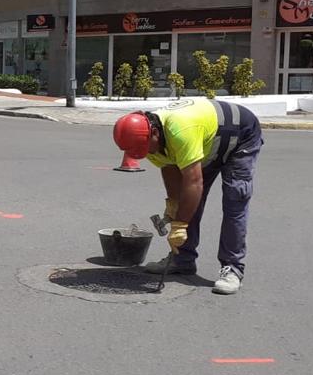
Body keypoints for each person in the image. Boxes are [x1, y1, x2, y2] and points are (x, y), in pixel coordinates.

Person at [113, 98, 263, 295]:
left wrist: (181, 225)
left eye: (147, 148)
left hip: (240, 135)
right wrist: (174, 204)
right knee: (188, 201)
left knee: (234, 201)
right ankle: (183, 259)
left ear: (155, 133)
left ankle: (233, 268)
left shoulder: (180, 132)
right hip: (208, 141)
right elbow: (169, 167)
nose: (148, 154)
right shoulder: (145, 141)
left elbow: (194, 182)